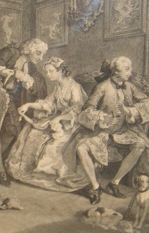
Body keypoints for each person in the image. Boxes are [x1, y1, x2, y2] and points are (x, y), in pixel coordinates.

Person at [64, 56, 149, 205]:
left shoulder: (129, 86)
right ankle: (95, 187)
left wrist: (131, 111)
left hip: (122, 130)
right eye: (127, 69)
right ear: (116, 71)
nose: (130, 72)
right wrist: (101, 117)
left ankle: (114, 183)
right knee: (81, 148)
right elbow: (87, 110)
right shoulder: (102, 87)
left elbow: (148, 102)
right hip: (102, 131)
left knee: (141, 145)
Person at [0, 38, 48, 186]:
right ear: (29, 50)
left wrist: (30, 81)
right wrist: (2, 71)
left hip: (12, 101)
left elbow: (39, 81)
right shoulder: (12, 53)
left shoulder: (30, 66)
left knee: (13, 131)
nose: (41, 58)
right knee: (5, 130)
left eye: (42, 54)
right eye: (38, 53)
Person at [6, 57, 88, 191]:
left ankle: (48, 175)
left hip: (72, 123)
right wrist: (28, 105)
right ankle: (27, 168)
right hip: (58, 120)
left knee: (53, 145)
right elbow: (48, 104)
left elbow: (77, 111)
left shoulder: (74, 87)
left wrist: (60, 118)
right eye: (47, 71)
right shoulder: (58, 86)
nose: (48, 74)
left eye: (51, 71)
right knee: (33, 132)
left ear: (60, 71)